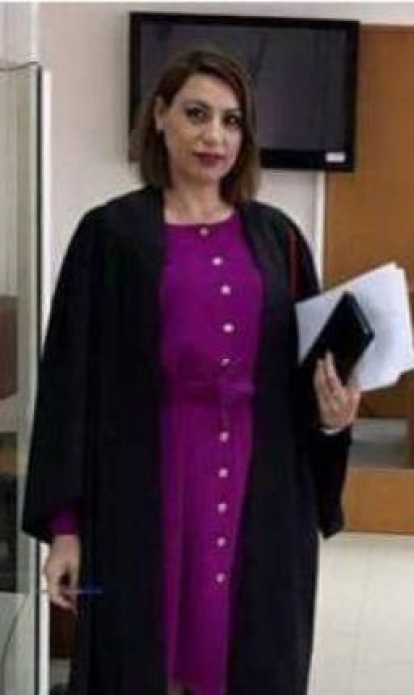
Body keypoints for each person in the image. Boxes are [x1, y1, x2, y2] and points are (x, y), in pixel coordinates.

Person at [22, 48, 361, 695]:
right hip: (144, 486)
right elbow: (69, 385)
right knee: (142, 657)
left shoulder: (280, 238)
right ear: (159, 117)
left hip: (263, 489)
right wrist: (65, 529)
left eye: (232, 121)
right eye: (197, 114)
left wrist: (332, 416)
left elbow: (309, 378)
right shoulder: (110, 236)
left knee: (252, 656)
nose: (214, 136)